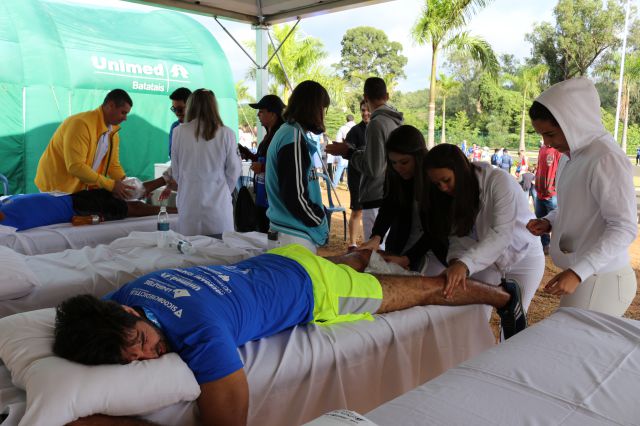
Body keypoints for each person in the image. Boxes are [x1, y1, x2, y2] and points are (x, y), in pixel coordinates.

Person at [53, 244, 526, 426]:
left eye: (141, 342)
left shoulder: (199, 330)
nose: (149, 354)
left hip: (315, 287)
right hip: (275, 260)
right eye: (133, 359)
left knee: (424, 291)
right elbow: (85, 318)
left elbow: (228, 420)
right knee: (348, 264)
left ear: (128, 313)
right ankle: (361, 254)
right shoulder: (128, 295)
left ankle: (504, 297)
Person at [526, 77, 637, 316]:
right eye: (543, 135)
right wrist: (549, 221)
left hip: (601, 278)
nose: (547, 143)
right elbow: (576, 207)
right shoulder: (572, 155)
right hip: (586, 274)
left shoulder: (605, 157)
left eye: (550, 134)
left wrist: (579, 272)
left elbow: (624, 227)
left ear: (573, 122)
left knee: (568, 337)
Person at [424, 144, 545, 313]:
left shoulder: (498, 180)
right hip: (484, 261)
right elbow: (458, 236)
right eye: (437, 184)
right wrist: (456, 261)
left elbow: (501, 234)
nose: (443, 188)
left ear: (460, 170)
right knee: (474, 313)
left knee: (515, 316)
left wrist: (464, 264)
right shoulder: (448, 197)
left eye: (446, 180)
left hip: (523, 256)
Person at [359, 125, 447, 271]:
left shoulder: (434, 180)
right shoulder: (395, 175)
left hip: (434, 252)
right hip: (401, 245)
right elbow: (388, 206)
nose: (398, 167)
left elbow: (436, 229)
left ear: (419, 157)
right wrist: (376, 236)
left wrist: (408, 258)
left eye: (404, 162)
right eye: (393, 162)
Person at [326, 77, 404, 242]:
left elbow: (374, 168)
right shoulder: (396, 121)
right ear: (387, 96)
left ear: (365, 97)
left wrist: (349, 152)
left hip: (377, 196)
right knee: (384, 247)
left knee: (374, 250)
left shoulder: (376, 124)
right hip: (390, 193)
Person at [265, 81, 330, 253]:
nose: (324, 115)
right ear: (314, 109)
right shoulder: (292, 137)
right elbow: (295, 196)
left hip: (289, 235)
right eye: (323, 109)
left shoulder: (291, 133)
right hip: (293, 237)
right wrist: (320, 219)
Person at [34, 89, 134, 200]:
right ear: (110, 105)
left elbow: (113, 165)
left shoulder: (113, 133)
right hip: (55, 189)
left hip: (78, 189)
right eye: (123, 112)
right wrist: (111, 185)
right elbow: (75, 167)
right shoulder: (80, 124)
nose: (125, 118)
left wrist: (129, 184)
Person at [171, 89, 241, 236]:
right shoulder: (227, 133)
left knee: (191, 249)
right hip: (219, 210)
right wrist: (220, 190)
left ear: (190, 106)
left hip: (189, 208)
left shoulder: (178, 132)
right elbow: (234, 171)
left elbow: (176, 172)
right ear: (214, 106)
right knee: (220, 249)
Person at [0, 187, 177, 231]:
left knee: (128, 191)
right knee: (135, 207)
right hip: (79, 208)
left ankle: (165, 180)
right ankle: (179, 210)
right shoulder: (6, 223)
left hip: (72, 196)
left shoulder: (5, 203)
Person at [239, 94, 286, 233]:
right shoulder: (269, 134)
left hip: (273, 197)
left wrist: (263, 167)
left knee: (269, 232)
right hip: (262, 193)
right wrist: (246, 153)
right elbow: (261, 158)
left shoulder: (282, 135)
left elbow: (285, 165)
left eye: (261, 111)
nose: (258, 115)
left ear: (273, 114)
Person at [344, 100, 370, 250]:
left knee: (373, 211)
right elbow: (346, 152)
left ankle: (370, 244)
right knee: (357, 210)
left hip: (375, 179)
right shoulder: (355, 131)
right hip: (357, 177)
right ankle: (353, 244)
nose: (365, 113)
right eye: (362, 110)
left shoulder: (378, 128)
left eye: (368, 110)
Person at [534, 141, 562, 255]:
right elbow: (539, 168)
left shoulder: (558, 150)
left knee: (557, 223)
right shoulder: (542, 149)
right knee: (541, 221)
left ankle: (557, 247)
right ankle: (544, 245)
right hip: (539, 193)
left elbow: (561, 170)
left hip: (552, 195)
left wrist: (553, 187)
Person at [332, 114, 356, 186]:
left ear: (347, 120)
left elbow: (338, 140)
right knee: (351, 170)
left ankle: (334, 185)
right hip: (354, 152)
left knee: (340, 168)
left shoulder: (342, 128)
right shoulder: (357, 127)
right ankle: (350, 186)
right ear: (353, 119)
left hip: (344, 150)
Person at [168, 87, 192, 158]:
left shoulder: (201, 126)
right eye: (174, 109)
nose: (177, 113)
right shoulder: (175, 126)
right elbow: (172, 154)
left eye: (180, 109)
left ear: (191, 106)